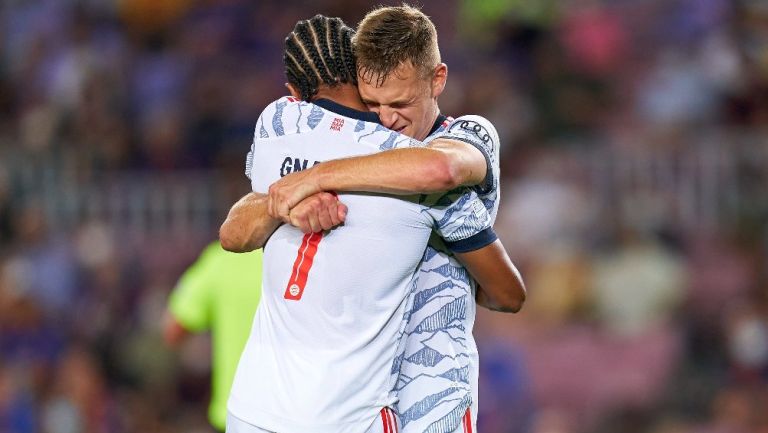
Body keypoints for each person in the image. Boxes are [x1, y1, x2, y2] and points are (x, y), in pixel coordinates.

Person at [223, 14, 522, 433]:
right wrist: (289, 202)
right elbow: (234, 232)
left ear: (437, 80)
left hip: (431, 396)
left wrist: (313, 177)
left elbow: (441, 169)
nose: (385, 120)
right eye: (372, 104)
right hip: (356, 398)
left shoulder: (468, 135)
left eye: (399, 104)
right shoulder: (358, 146)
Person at [163, 242, 263, 432]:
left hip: (238, 416)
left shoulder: (221, 259)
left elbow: (172, 329)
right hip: (305, 414)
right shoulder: (312, 255)